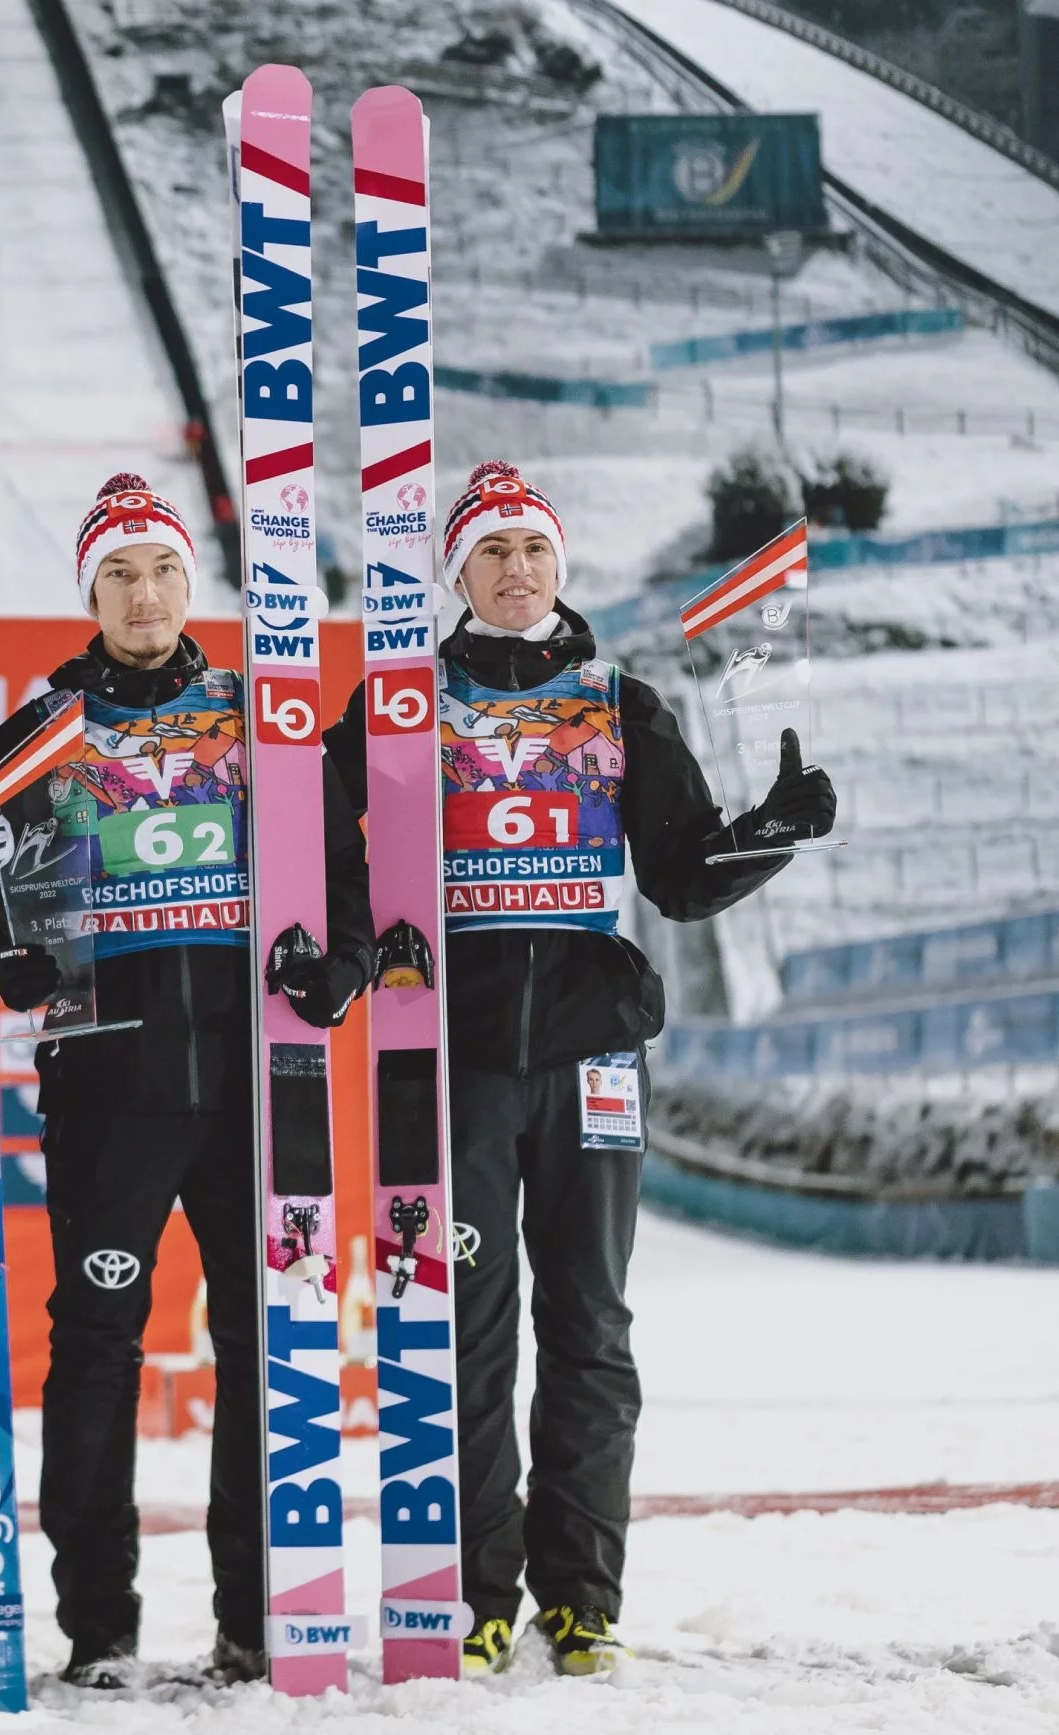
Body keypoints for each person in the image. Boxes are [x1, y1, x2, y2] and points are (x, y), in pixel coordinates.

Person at [322, 461, 837, 1678]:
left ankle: (582, 1596)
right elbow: (311, 835)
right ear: (457, 573)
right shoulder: (403, 699)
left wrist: (776, 829)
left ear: (561, 568)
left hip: (596, 1056)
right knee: (473, 1330)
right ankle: (479, 1590)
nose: (516, 571)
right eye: (492, 553)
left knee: (593, 1325)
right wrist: (350, 950)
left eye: (534, 552)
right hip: (455, 1060)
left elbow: (680, 872)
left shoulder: (618, 700)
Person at [0, 473, 374, 1688]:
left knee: (267, 1342)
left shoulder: (262, 715)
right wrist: (2, 926)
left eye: (162, 571)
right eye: (118, 575)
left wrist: (343, 970)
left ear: (193, 585)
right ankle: (100, 1625)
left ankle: (259, 1615)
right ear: (89, 592)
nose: (143, 595)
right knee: (95, 1346)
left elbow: (344, 882)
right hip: (108, 1087)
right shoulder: (37, 730)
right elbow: (8, 950)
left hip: (260, 1089)